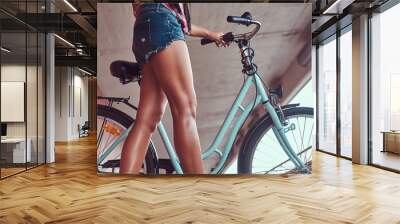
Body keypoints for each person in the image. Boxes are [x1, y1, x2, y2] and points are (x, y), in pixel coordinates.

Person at [120, 3, 228, 174]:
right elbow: (171, 16)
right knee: (185, 109)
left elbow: (185, 26)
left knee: (147, 121)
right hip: (162, 22)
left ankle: (121, 190)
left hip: (145, 26)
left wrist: (211, 34)